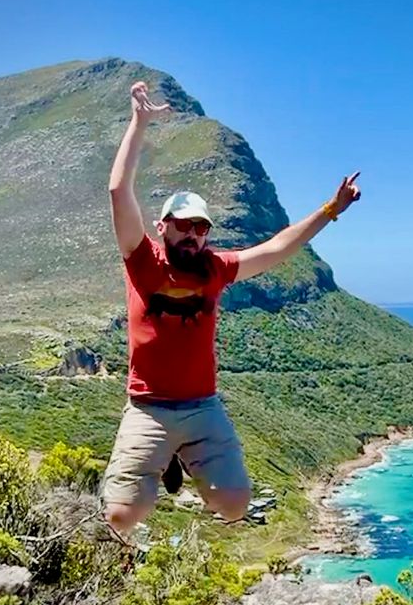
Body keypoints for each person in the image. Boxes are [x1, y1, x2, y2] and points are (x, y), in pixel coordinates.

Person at [102, 81, 361, 540]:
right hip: (148, 408)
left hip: (202, 406)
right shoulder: (141, 260)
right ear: (163, 227)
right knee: (123, 515)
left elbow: (280, 247)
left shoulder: (215, 268)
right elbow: (119, 190)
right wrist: (139, 124)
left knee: (235, 506)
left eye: (201, 228)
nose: (193, 236)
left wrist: (330, 210)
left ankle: (183, 455)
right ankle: (165, 459)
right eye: (183, 226)